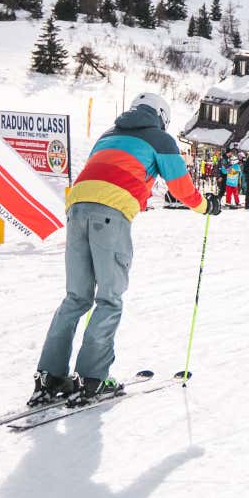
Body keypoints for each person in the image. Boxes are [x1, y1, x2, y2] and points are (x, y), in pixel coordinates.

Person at [31, 93, 221, 408]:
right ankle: (92, 379)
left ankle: (49, 376)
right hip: (111, 214)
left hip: (76, 210)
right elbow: (180, 187)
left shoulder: (108, 135)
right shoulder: (161, 139)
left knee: (76, 297)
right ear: (162, 115)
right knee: (109, 297)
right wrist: (205, 207)